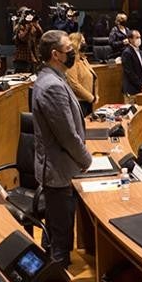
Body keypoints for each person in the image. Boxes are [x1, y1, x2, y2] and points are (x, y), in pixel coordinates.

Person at [31, 30, 93, 268]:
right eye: (69, 49)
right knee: (60, 237)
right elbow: (67, 135)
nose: (73, 53)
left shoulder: (53, 78)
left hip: (59, 167)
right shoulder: (52, 86)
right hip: (58, 171)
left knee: (57, 228)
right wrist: (87, 160)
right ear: (55, 54)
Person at [65, 32, 97, 117]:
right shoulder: (72, 61)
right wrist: (90, 97)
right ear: (75, 43)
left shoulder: (83, 59)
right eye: (82, 42)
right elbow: (74, 84)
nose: (84, 44)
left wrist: (94, 96)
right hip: (79, 102)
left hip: (87, 101)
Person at [12, 8, 43, 73]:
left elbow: (40, 34)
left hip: (33, 57)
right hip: (22, 58)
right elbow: (23, 38)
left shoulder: (32, 25)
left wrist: (36, 23)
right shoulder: (19, 27)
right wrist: (28, 27)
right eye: (26, 14)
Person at [121, 29, 142, 97]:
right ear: (130, 39)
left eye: (139, 37)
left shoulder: (140, 51)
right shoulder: (127, 53)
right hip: (132, 89)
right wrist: (140, 85)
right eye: (137, 37)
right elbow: (130, 72)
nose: (139, 39)